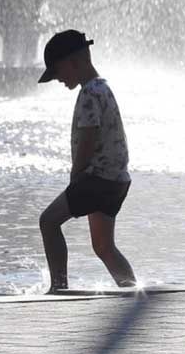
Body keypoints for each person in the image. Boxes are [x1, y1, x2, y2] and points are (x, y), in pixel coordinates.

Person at [36, 30, 136, 292]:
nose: (58, 79)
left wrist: (76, 173)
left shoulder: (89, 94)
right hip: (117, 181)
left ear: (74, 62)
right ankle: (131, 289)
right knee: (104, 247)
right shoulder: (103, 87)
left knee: (48, 221)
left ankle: (58, 286)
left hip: (96, 179)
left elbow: (89, 137)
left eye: (58, 71)